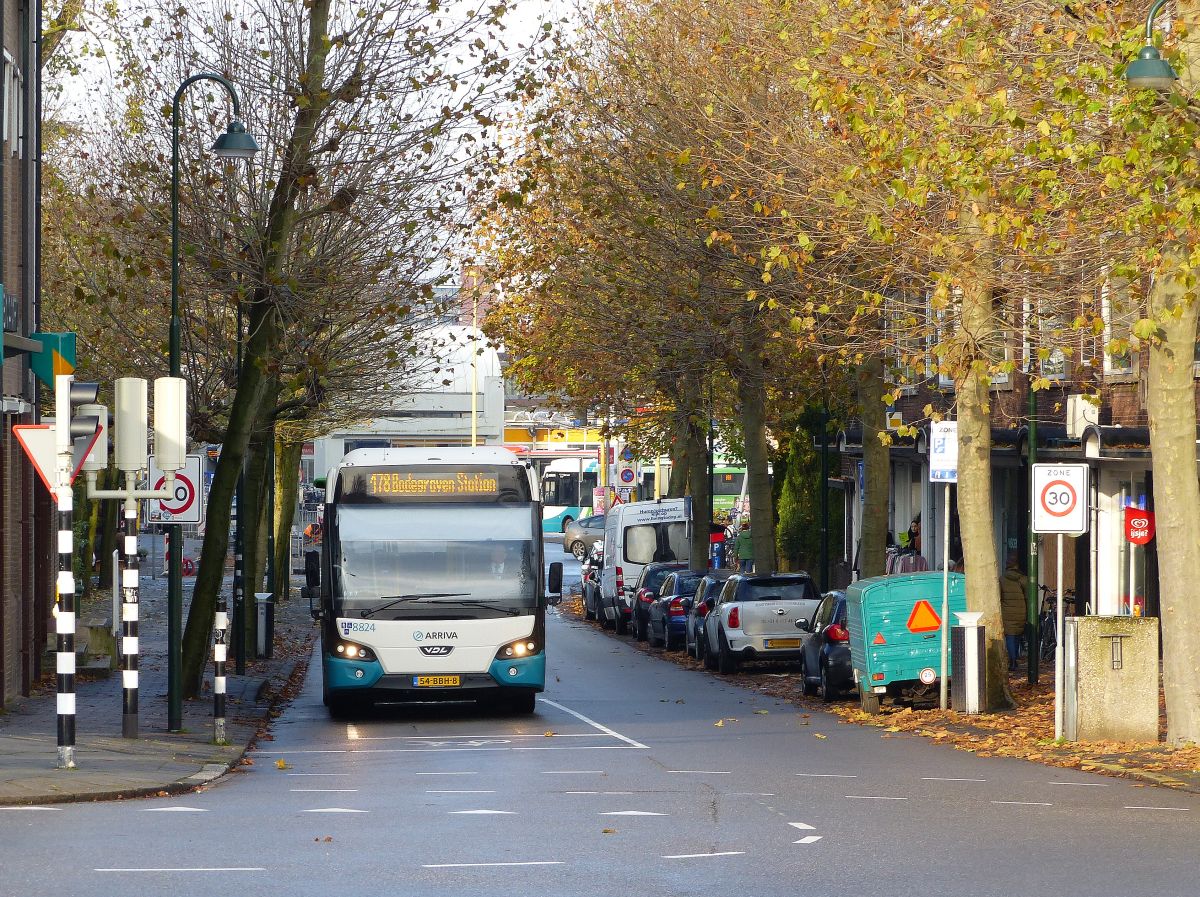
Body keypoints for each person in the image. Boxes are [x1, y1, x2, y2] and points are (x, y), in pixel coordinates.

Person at [999, 551, 1028, 672]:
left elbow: (999, 597)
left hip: (1007, 612)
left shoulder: (1002, 579)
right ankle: (1014, 658)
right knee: (1016, 637)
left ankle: (1012, 661)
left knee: (1010, 637)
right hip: (1021, 612)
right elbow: (1028, 597)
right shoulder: (1024, 579)